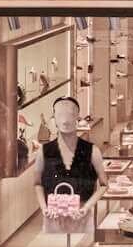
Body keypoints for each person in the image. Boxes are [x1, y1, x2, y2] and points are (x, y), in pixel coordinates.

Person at [32, 95, 105, 226]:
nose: (65, 121)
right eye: (60, 115)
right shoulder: (43, 151)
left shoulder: (92, 150)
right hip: (53, 217)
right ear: (54, 119)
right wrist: (44, 208)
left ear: (77, 117)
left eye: (70, 114)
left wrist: (87, 207)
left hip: (82, 216)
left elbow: (104, 184)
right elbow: (37, 184)